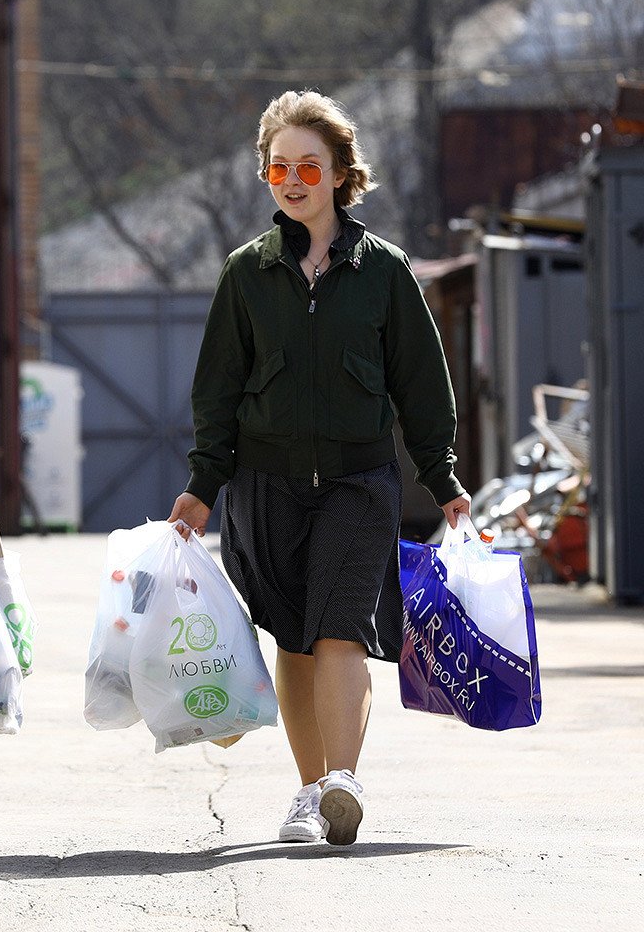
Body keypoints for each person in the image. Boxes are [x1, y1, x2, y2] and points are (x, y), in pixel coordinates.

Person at [168, 90, 469, 848]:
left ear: (342, 174)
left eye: (310, 165)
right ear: (265, 174)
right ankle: (308, 794)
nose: (293, 179)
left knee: (340, 633)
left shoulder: (384, 272)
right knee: (294, 643)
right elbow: (218, 392)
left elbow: (423, 387)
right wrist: (204, 486)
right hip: (265, 488)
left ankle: (343, 780)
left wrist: (445, 482)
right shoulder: (247, 275)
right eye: (279, 166)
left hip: (359, 484)